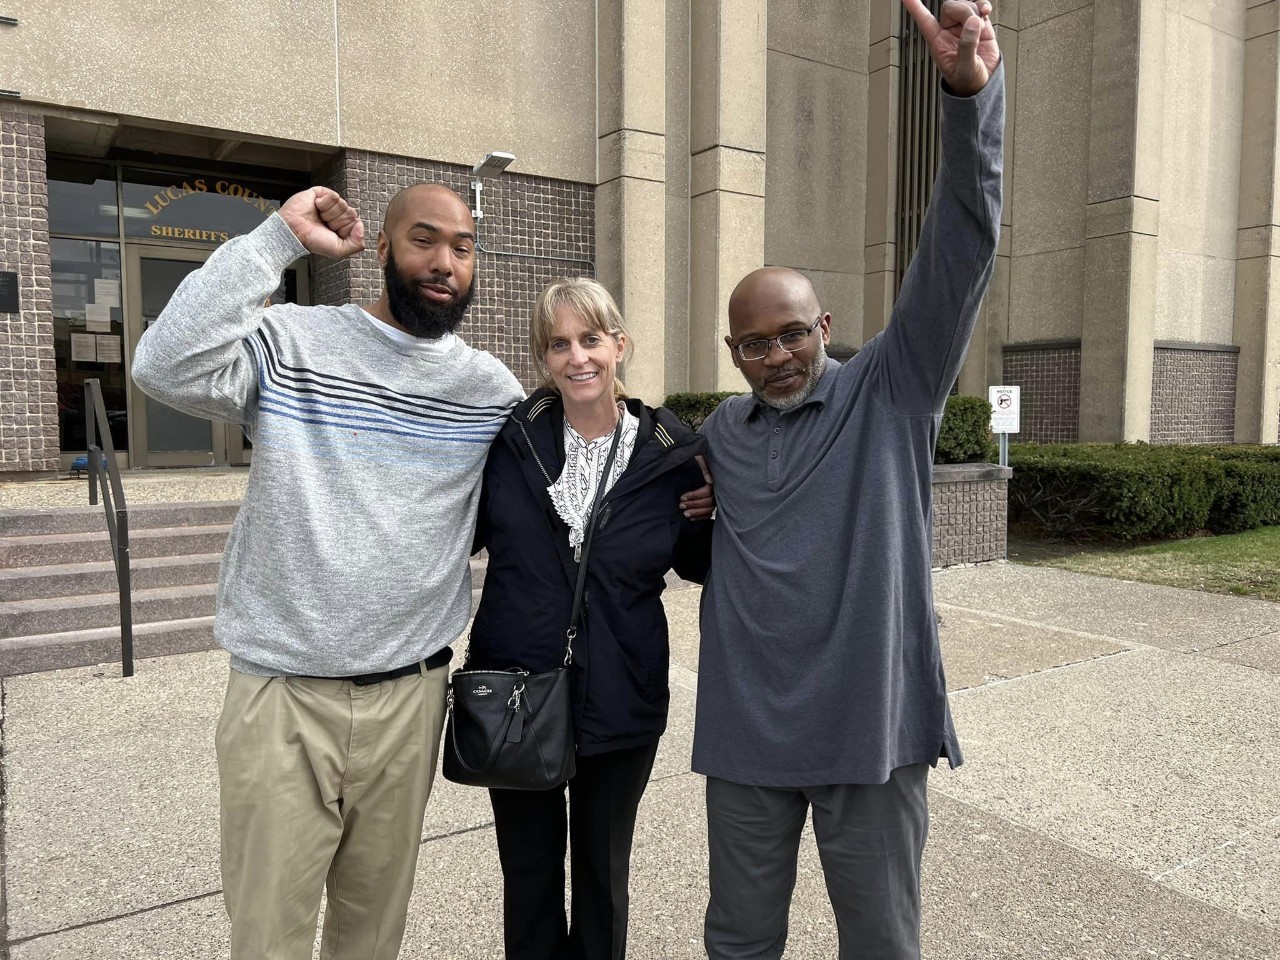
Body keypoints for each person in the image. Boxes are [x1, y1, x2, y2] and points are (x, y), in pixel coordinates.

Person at [131, 183, 525, 960]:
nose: (444, 263)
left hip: (412, 698)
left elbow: (561, 486)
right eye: (423, 240)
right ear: (382, 247)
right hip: (284, 696)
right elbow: (163, 367)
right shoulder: (294, 342)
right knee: (268, 936)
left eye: (462, 247)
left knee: (372, 934)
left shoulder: (490, 392)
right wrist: (276, 240)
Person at [690, 2, 1004, 958]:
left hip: (869, 726)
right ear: (732, 353)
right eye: (754, 344)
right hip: (747, 734)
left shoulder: (893, 391)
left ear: (824, 327)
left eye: (793, 333)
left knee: (880, 940)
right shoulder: (721, 433)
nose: (777, 355)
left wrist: (968, 100)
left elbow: (961, 246)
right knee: (739, 939)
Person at [467, 277, 713, 960]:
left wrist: (717, 511)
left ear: (619, 345)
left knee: (603, 876)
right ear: (543, 358)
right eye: (559, 344)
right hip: (516, 695)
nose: (577, 357)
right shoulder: (509, 443)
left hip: (622, 694)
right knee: (529, 876)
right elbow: (455, 535)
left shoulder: (671, 451)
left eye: (591, 339)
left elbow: (698, 563)